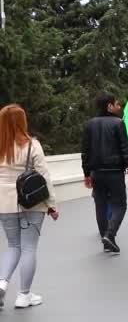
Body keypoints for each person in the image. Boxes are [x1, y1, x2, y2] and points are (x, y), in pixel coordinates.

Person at [0, 105, 59, 309]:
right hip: (31, 202)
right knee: (29, 247)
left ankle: (1, 284)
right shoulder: (32, 145)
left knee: (13, 246)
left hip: (4, 203)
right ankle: (24, 295)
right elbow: (44, 177)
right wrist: (52, 205)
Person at [81, 94, 128, 254]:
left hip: (96, 172)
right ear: (109, 106)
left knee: (100, 206)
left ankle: (106, 240)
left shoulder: (90, 124)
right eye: (116, 104)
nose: (119, 106)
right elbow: (125, 149)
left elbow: (85, 151)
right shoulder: (118, 123)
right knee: (120, 205)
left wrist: (86, 173)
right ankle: (110, 234)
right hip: (114, 171)